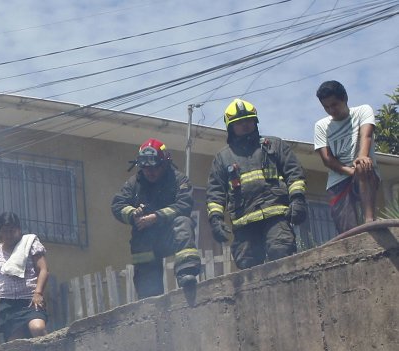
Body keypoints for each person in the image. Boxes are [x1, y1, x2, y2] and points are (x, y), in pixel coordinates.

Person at [207, 98, 308, 270]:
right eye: (239, 123)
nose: (245, 125)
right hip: (244, 223)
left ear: (255, 121)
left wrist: (297, 199)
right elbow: (215, 193)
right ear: (231, 127)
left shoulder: (274, 146)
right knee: (247, 265)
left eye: (248, 120)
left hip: (276, 215)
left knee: (281, 251)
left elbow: (294, 174)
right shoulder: (223, 158)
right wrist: (215, 219)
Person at [111, 139, 202, 296]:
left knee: (183, 222)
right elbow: (117, 205)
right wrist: (133, 214)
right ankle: (150, 296)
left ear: (164, 163)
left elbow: (184, 205)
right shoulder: (134, 183)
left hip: (170, 235)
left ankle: (186, 273)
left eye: (154, 167)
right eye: (145, 168)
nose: (149, 172)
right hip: (146, 241)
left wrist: (156, 217)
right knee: (149, 293)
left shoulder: (179, 180)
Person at [314, 80, 381, 234]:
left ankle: (370, 220)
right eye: (326, 107)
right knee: (347, 231)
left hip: (365, 172)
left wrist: (362, 157)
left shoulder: (363, 111)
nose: (331, 110)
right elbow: (327, 159)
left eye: (334, 104)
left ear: (345, 98)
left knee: (362, 165)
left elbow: (366, 136)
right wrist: (350, 171)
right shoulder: (321, 126)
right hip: (338, 181)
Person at [0, 212, 49, 340]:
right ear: (0, 232)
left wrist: (38, 293)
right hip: (8, 305)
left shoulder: (30, 245)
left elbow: (43, 270)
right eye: (5, 231)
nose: (8, 235)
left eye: (12, 231)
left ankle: (53, 350)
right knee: (17, 344)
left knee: (37, 328)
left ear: (19, 230)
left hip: (30, 299)